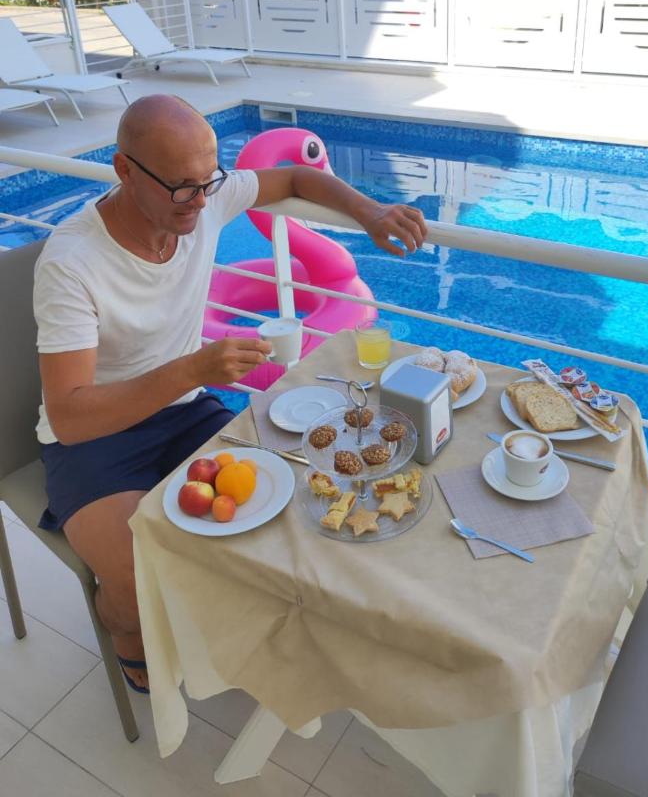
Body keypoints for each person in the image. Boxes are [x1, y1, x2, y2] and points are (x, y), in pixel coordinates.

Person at [34, 94, 427, 692]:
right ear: (123, 169)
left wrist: (370, 213)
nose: (201, 199)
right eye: (182, 187)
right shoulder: (72, 261)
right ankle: (120, 621)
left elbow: (295, 175)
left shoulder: (204, 199)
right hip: (94, 441)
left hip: (184, 413)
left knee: (288, 515)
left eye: (208, 181)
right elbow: (69, 417)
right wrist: (191, 371)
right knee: (140, 581)